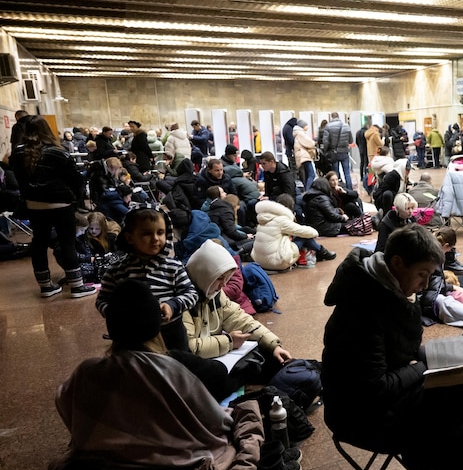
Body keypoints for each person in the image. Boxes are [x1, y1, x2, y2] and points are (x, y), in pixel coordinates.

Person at [34, 279, 268, 470]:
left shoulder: (87, 371)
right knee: (240, 419)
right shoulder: (170, 369)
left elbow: (67, 407)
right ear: (157, 324)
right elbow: (214, 423)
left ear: (112, 327)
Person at [321, 223, 463, 470]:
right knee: (456, 398)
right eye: (422, 274)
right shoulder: (364, 309)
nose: (424, 285)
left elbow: (402, 354)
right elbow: (376, 388)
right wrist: (430, 364)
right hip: (359, 414)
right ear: (398, 263)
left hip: (380, 400)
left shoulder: (385, 289)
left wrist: (462, 361)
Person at [9, 115, 96, 299]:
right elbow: (76, 180)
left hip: (34, 206)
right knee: (67, 243)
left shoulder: (17, 153)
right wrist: (74, 198)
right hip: (60, 204)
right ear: (46, 129)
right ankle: (77, 286)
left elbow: (20, 180)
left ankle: (46, 286)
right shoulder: (59, 152)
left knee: (39, 244)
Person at [184, 240, 295, 378]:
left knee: (268, 355)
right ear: (205, 275)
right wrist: (229, 342)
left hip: (214, 353)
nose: (223, 285)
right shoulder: (183, 301)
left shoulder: (215, 293)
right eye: (219, 279)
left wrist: (273, 345)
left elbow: (239, 319)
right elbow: (189, 347)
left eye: (226, 279)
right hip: (192, 366)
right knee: (222, 374)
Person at [96, 206, 198, 350]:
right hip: (132, 338)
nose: (155, 239)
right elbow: (102, 300)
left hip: (171, 334)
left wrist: (172, 305)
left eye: (160, 232)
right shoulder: (117, 271)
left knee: (176, 368)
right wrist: (117, 315)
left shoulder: (174, 267)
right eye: (147, 233)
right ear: (130, 237)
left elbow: (191, 294)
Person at [251, 194, 332, 270]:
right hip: (276, 262)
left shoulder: (264, 219)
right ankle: (322, 251)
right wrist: (315, 232)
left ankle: (322, 252)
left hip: (259, 261)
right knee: (303, 236)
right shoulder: (282, 221)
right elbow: (306, 232)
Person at [418, 226, 463, 328]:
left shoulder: (434, 254)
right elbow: (430, 288)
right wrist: (451, 287)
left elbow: (436, 284)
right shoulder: (431, 258)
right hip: (426, 300)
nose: (449, 251)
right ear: (446, 246)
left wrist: (451, 288)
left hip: (433, 293)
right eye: (450, 249)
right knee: (445, 301)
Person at [322, 113, 354, 190]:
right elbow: (351, 140)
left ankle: (338, 188)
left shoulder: (328, 126)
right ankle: (349, 189)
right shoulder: (346, 126)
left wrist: (325, 151)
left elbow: (326, 141)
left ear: (331, 117)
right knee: (347, 172)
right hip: (344, 151)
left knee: (335, 173)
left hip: (334, 152)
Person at [293, 119, 317, 190]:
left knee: (307, 174)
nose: (307, 127)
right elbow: (309, 143)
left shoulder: (297, 133)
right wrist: (314, 143)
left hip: (301, 156)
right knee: (312, 174)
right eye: (306, 125)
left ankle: (306, 189)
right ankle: (308, 190)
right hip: (304, 156)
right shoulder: (300, 133)